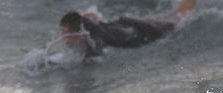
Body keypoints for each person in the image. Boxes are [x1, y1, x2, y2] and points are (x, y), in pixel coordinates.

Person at [60, 0, 196, 59]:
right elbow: (89, 16)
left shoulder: (95, 39)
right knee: (172, 15)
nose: (64, 38)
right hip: (128, 23)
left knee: (176, 18)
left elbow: (94, 56)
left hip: (142, 33)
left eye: (66, 33)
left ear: (78, 31)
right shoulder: (91, 26)